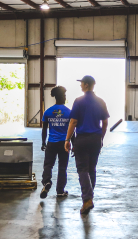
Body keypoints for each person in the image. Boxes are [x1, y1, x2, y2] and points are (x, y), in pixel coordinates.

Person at [65, 75, 109, 215]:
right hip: (95, 138)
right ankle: (89, 197)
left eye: (82, 83)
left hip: (82, 139)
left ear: (86, 85)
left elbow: (73, 122)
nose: (80, 85)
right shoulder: (100, 101)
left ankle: (87, 199)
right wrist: (100, 137)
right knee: (92, 169)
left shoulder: (79, 101)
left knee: (82, 169)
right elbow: (105, 122)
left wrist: (67, 139)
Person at [40, 86, 73, 199]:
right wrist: (73, 144)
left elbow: (44, 129)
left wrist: (43, 142)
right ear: (61, 97)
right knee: (62, 167)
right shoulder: (69, 112)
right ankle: (60, 191)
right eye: (64, 95)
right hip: (64, 143)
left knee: (48, 165)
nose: (65, 97)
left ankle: (47, 182)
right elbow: (72, 130)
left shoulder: (48, 112)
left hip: (52, 142)